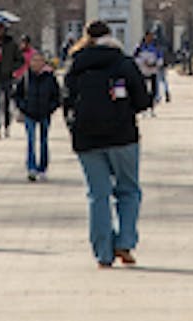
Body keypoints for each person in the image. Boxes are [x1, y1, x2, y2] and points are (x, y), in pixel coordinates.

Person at [62, 20, 151, 268]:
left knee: (98, 195)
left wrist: (73, 129)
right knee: (129, 190)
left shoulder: (76, 65)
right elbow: (143, 101)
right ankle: (125, 241)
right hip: (123, 136)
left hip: (87, 139)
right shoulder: (124, 63)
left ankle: (103, 252)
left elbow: (66, 101)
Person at [13, 49, 62, 181]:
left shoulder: (50, 77)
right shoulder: (26, 77)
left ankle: (43, 168)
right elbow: (17, 95)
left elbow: (57, 96)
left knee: (44, 141)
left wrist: (51, 108)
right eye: (34, 60)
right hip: (30, 113)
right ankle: (31, 167)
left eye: (40, 60)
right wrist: (23, 107)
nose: (37, 63)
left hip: (44, 113)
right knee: (31, 140)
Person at [133, 31, 166, 108]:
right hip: (142, 71)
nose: (149, 39)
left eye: (151, 37)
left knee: (153, 89)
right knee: (143, 88)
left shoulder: (156, 47)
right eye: (148, 37)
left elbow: (160, 59)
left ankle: (152, 103)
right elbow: (135, 59)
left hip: (153, 71)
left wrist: (155, 64)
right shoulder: (139, 47)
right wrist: (143, 63)